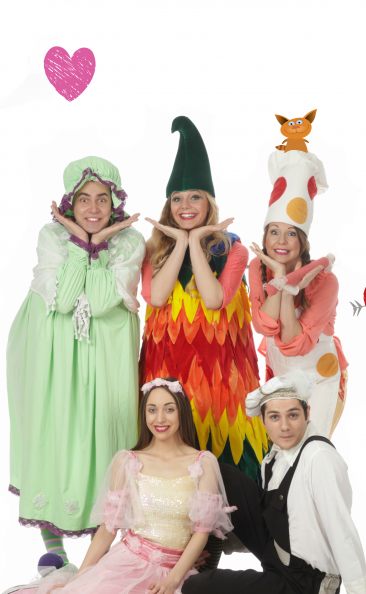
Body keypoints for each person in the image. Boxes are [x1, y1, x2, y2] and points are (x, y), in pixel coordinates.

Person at [0, 378, 235, 594]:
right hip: (130, 562)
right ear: (144, 414)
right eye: (152, 410)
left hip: (175, 570)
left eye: (169, 409)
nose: (160, 418)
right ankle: (43, 593)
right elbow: (107, 530)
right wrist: (77, 584)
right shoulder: (128, 461)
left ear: (182, 412)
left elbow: (201, 532)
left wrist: (172, 580)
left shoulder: (203, 462)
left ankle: (60, 582)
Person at [139, 116, 268, 567]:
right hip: (169, 378)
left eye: (194, 197)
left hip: (221, 385)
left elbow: (213, 300)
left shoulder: (233, 250)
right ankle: (173, 551)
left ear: (209, 201)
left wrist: (196, 242)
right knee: (174, 457)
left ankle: (211, 554)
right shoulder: (154, 250)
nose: (185, 205)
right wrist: (177, 242)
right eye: (177, 199)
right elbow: (157, 297)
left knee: (219, 456)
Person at [7, 156, 146, 567]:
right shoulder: (52, 235)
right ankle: (54, 552)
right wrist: (81, 245)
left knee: (106, 437)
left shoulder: (129, 241)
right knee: (52, 432)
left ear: (115, 202)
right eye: (84, 199)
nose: (93, 208)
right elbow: (65, 299)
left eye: (103, 199)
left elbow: (101, 302)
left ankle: (97, 560)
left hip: (106, 352)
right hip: (52, 350)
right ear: (69, 201)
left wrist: (97, 247)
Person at [182, 370, 366, 594]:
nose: (284, 426)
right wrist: (197, 546)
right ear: (263, 420)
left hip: (306, 585)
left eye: (293, 415)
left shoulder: (318, 457)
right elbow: (271, 523)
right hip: (276, 557)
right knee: (220, 472)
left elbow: (341, 527)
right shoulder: (273, 459)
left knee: (191, 590)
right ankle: (192, 559)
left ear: (307, 414)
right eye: (274, 417)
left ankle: (199, 582)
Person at [248, 148, 348, 438]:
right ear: (265, 236)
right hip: (282, 375)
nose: (281, 241)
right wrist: (280, 277)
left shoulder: (326, 282)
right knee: (282, 452)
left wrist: (287, 287)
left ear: (302, 240)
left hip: (320, 379)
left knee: (311, 448)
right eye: (274, 231)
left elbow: (295, 343)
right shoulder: (258, 267)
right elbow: (265, 326)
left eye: (291, 233)